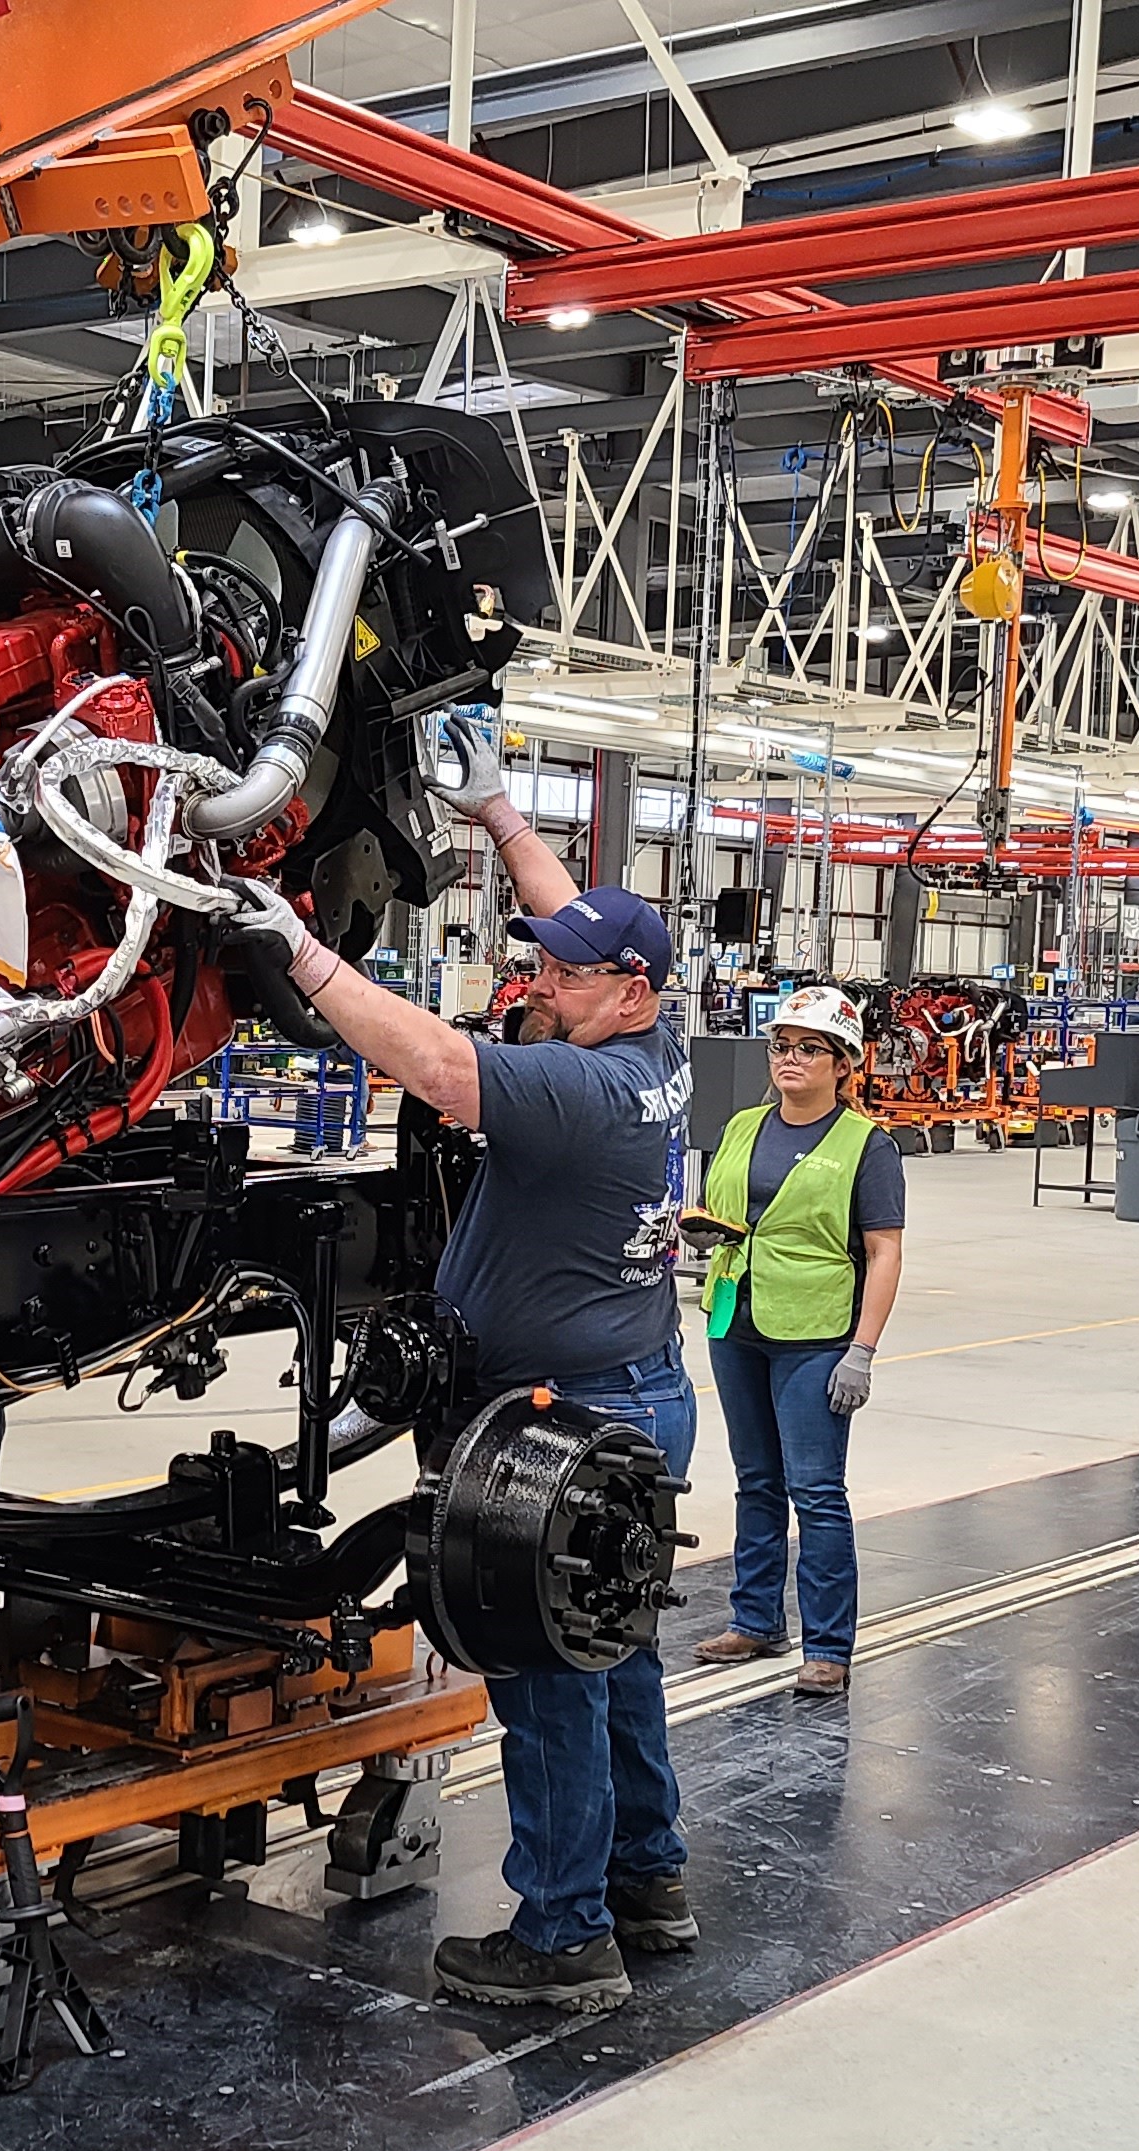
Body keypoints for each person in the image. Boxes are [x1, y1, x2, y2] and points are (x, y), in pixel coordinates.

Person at [225, 755, 698, 2016]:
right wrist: (496, 812)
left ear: (631, 991)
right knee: (618, 1647)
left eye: (565, 976)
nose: (539, 985)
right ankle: (650, 1879)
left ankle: (562, 1938)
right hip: (639, 1397)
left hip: (562, 1421)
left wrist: (304, 962)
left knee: (545, 1674)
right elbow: (568, 911)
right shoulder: (662, 1044)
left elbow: (437, 1070)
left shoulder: (583, 1093)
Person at [687, 985, 906, 1698]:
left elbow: (883, 1251)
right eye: (782, 1046)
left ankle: (829, 1646)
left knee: (815, 1491)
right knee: (756, 1481)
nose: (791, 1059)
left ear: (845, 1063)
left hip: (814, 1336)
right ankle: (755, 1620)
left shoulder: (866, 1147)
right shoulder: (746, 1124)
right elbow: (731, 1210)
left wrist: (862, 1350)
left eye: (811, 1049)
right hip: (737, 1318)